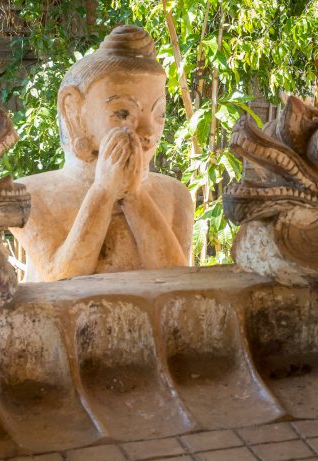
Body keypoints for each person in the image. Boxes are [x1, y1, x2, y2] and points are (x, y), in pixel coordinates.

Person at [11, 25, 194, 281]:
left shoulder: (175, 195)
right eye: (123, 113)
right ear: (74, 112)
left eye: (159, 114)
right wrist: (104, 191)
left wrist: (134, 195)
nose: (149, 131)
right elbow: (62, 278)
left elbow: (178, 280)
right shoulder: (28, 195)